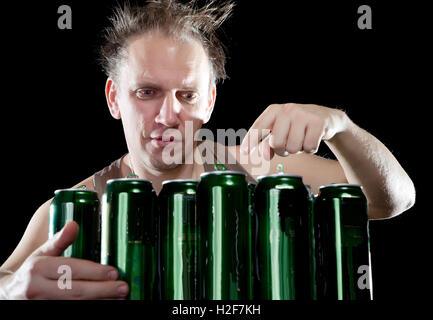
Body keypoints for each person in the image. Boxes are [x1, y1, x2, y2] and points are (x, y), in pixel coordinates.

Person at [0, 0, 415, 299]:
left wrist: (340, 127)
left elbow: (392, 199)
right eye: (147, 92)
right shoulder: (78, 207)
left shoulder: (263, 170)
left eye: (187, 94)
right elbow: (6, 279)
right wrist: (13, 291)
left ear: (210, 101)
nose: (168, 114)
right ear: (114, 98)